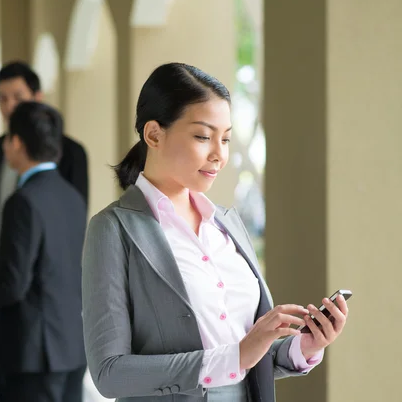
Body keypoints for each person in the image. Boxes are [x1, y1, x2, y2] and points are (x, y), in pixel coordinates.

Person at [81, 63, 349, 402]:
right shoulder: (113, 229)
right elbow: (110, 374)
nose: (219, 155)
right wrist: (236, 356)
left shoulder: (227, 224)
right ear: (153, 134)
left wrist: (303, 347)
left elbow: (246, 356)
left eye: (225, 139)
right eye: (203, 136)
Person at [0, 101, 88, 402]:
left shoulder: (23, 201)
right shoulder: (71, 197)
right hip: (71, 346)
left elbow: (13, 284)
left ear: (15, 142)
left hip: (34, 352)